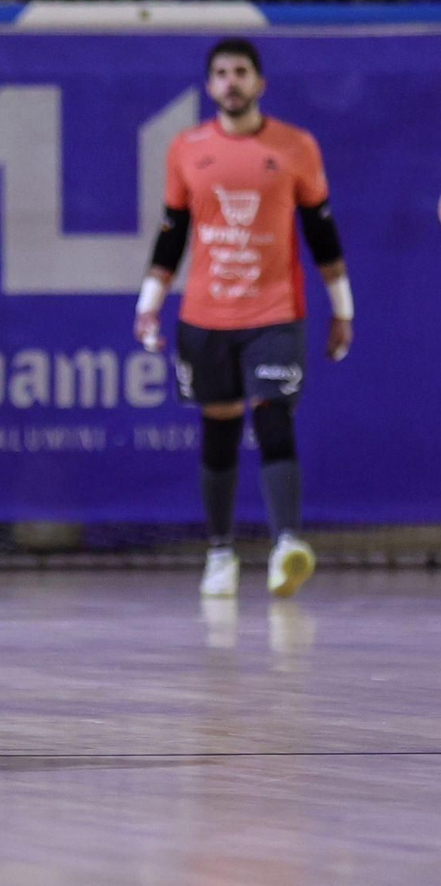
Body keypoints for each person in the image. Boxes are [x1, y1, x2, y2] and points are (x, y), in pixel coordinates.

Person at [134, 38, 353, 600]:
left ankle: (286, 546)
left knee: (274, 415)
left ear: (260, 83)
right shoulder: (187, 149)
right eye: (221, 73)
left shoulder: (296, 147)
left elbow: (322, 233)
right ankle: (220, 553)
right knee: (221, 427)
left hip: (274, 313)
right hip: (206, 316)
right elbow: (172, 232)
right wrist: (148, 304)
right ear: (210, 86)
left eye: (241, 72)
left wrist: (343, 309)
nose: (231, 81)